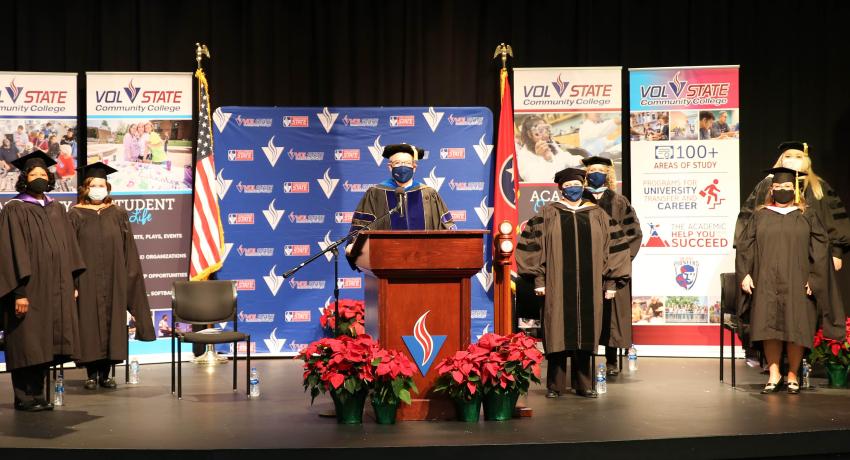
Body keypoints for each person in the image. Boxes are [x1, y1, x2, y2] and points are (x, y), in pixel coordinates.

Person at [516, 167, 631, 399]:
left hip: (591, 287)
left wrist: (611, 283)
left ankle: (584, 384)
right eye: (568, 186)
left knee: (586, 334)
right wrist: (539, 279)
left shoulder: (598, 214)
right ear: (561, 189)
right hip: (556, 285)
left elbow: (615, 248)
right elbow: (532, 248)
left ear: (582, 186)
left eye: (576, 185)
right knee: (556, 331)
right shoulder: (548, 213)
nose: (573, 189)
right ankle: (555, 385)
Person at [736, 167, 845, 394]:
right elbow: (745, 246)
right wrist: (745, 273)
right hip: (766, 281)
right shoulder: (760, 215)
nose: (782, 190)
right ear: (771, 190)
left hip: (798, 281)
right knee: (768, 328)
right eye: (778, 187)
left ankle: (793, 375)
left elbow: (820, 249)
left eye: (787, 187)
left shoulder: (807, 215)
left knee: (796, 328)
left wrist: (815, 278)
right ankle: (774, 375)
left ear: (794, 190)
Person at [0, 150, 86, 411]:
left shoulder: (56, 208)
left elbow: (69, 248)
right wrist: (19, 292)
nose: (39, 177)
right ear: (24, 179)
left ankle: (38, 394)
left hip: (56, 288)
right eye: (33, 174)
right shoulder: (14, 209)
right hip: (29, 289)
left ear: (49, 178)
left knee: (45, 343)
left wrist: (72, 284)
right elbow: (10, 253)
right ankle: (23, 397)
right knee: (27, 342)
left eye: (43, 174)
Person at [69, 162, 156, 390]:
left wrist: (129, 278)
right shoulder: (75, 214)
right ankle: (90, 374)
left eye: (102, 185)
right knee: (88, 324)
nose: (98, 189)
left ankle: (106, 374)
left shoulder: (118, 213)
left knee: (112, 323)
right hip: (86, 279)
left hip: (114, 278)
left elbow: (128, 249)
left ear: (107, 188)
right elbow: (69, 251)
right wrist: (72, 282)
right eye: (93, 185)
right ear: (85, 188)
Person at [735, 142, 850, 272]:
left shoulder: (818, 186)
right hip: (770, 254)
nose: (792, 160)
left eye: (798, 157)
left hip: (811, 255)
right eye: (788, 156)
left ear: (806, 160)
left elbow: (833, 221)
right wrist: (745, 257)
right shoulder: (767, 185)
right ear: (781, 159)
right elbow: (750, 222)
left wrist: (836, 252)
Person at [582, 156, 642, 376]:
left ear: (608, 174)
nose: (595, 174)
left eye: (600, 170)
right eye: (591, 171)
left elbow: (632, 234)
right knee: (585, 312)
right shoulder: (579, 201)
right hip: (584, 268)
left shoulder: (619, 202)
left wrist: (618, 263)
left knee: (612, 315)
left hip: (613, 268)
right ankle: (583, 360)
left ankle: (611, 360)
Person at [345, 143, 455, 262]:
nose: (402, 167)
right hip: (387, 260)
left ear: (414, 167)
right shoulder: (375, 193)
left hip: (425, 260)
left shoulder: (429, 193)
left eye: (407, 163)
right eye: (397, 163)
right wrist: (354, 243)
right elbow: (362, 225)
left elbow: (445, 226)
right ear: (390, 167)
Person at [515, 115, 582, 183]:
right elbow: (536, 181)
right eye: (540, 130)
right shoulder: (524, 155)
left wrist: (582, 160)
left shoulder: (550, 144)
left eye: (546, 129)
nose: (546, 134)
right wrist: (543, 158)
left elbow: (564, 158)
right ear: (529, 134)